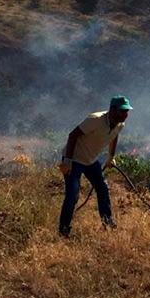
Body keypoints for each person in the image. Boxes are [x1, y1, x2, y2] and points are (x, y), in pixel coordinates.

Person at [58, 95, 132, 237]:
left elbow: (114, 135)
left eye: (127, 111)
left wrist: (111, 156)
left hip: (91, 160)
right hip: (74, 159)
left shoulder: (119, 124)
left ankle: (107, 221)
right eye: (122, 111)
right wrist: (67, 160)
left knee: (103, 188)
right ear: (112, 110)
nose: (125, 114)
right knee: (73, 194)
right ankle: (64, 230)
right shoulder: (95, 120)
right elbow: (73, 135)